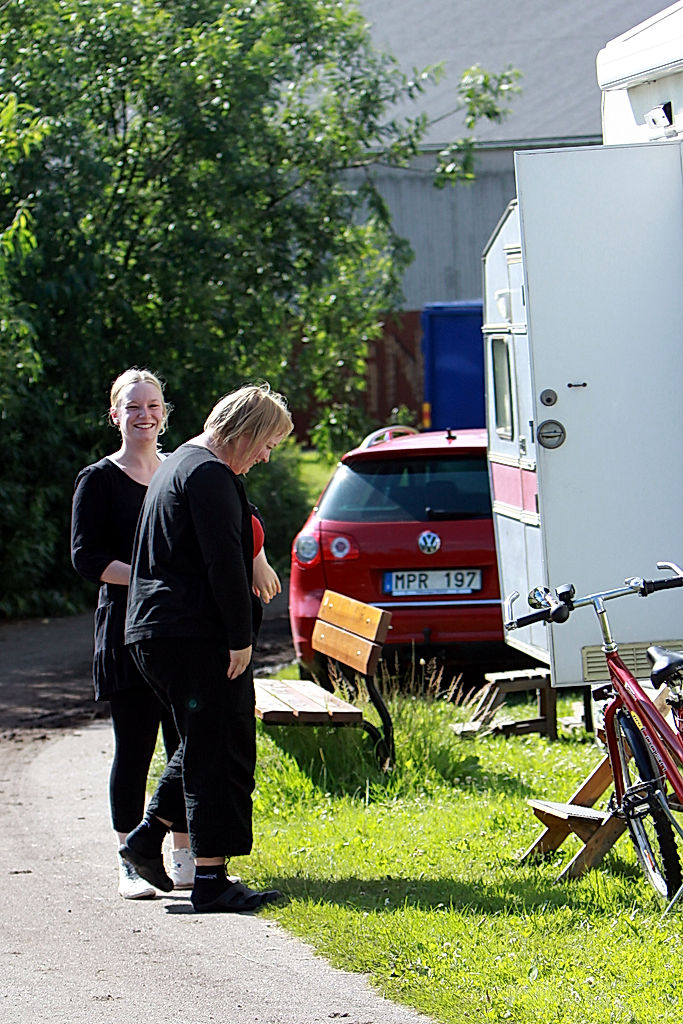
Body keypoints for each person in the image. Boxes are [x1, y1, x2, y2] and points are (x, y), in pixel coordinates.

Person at [120, 383, 293, 913]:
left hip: (160, 633)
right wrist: (240, 639)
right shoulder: (209, 474)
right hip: (194, 635)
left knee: (202, 740)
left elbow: (236, 537)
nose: (266, 456)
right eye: (267, 444)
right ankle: (212, 879)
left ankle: (147, 840)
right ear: (245, 432)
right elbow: (223, 563)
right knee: (222, 746)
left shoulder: (184, 465)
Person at [71, 368, 193, 899]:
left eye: (154, 406)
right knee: (136, 746)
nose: (145, 415)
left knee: (186, 743)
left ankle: (186, 857)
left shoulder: (179, 472)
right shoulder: (97, 479)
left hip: (182, 633)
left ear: (164, 413)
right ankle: (129, 859)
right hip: (123, 632)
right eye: (134, 406)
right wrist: (148, 576)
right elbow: (85, 558)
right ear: (115, 414)